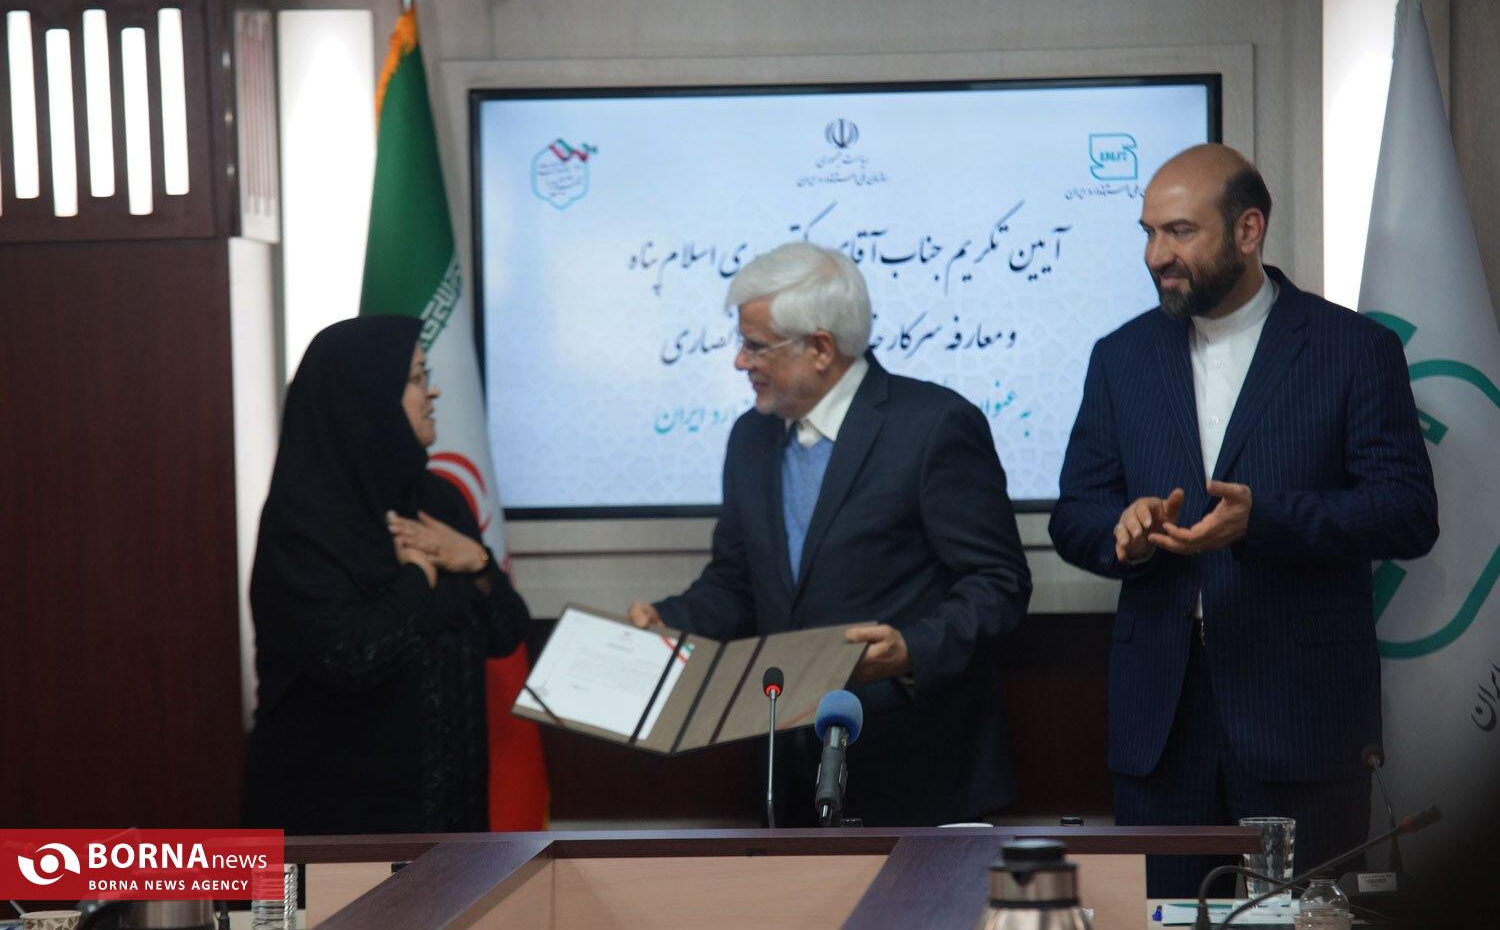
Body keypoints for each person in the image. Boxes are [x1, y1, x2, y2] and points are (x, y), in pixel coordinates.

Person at [1048, 144, 1438, 896]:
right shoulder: (1121, 357)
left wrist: (1263, 521)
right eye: (1148, 232)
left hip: (1301, 716)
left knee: (1303, 918)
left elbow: (1407, 513)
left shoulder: (1353, 349)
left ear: (1248, 230)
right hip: (1160, 727)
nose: (1156, 255)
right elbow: (1075, 515)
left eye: (1180, 232)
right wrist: (1125, 532)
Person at [628, 242, 1032, 826]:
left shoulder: (933, 425)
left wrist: (910, 649)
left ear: (820, 348)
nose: (740, 362)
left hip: (917, 768)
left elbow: (999, 584)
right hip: (787, 772)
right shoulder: (751, 437)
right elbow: (737, 583)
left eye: (755, 346)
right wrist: (667, 623)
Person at [241, 315, 530, 834]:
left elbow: (506, 634)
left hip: (453, 824)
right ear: (366, 398)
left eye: (427, 375)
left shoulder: (437, 499)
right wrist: (418, 578)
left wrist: (478, 563)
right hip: (338, 832)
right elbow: (350, 658)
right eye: (416, 379)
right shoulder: (304, 523)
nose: (432, 391)